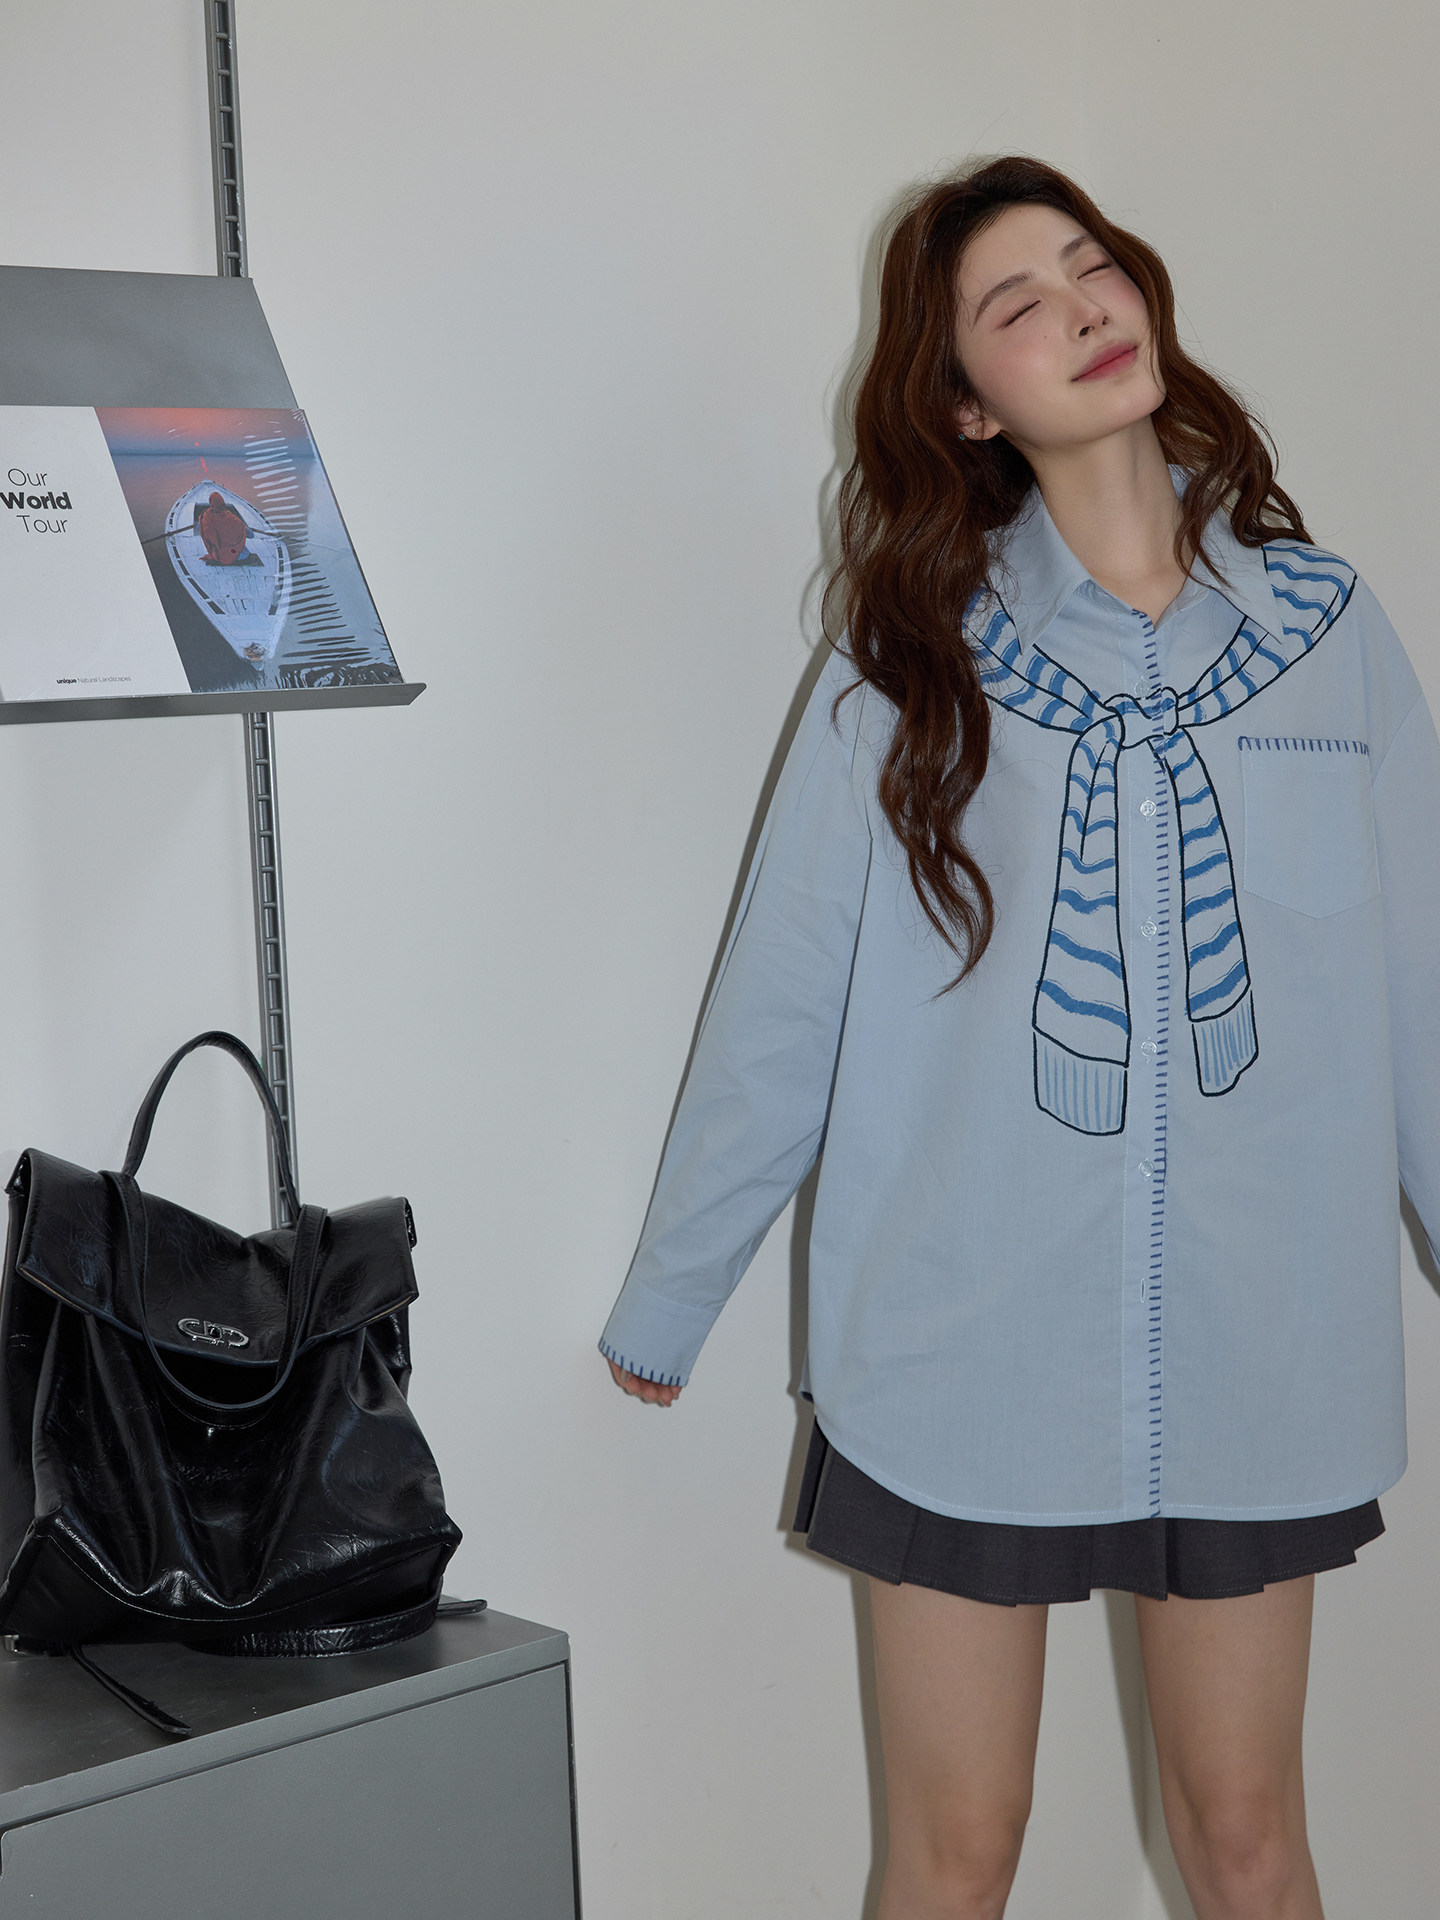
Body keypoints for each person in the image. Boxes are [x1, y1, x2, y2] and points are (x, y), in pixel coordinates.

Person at [598, 155, 1440, 1920]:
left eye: (1090, 264)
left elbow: (1422, 972)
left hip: (1259, 1342)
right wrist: (677, 1290)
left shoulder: (1327, 636)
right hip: (963, 1346)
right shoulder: (907, 668)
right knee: (954, 1856)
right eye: (1019, 304)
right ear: (969, 403)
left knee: (1248, 1842)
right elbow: (783, 999)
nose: (1083, 308)